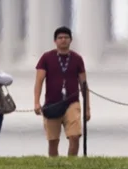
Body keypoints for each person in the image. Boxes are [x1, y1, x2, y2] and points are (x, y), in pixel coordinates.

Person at [33, 26, 89, 157]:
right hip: (52, 104)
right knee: (53, 140)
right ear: (55, 41)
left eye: (66, 38)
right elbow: (39, 82)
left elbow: (84, 84)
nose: (63, 40)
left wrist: (87, 108)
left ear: (71, 40)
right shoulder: (46, 58)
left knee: (74, 136)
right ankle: (54, 167)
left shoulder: (77, 59)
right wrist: (36, 102)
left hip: (72, 102)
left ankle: (71, 164)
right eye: (60, 38)